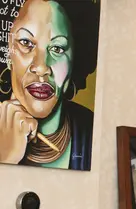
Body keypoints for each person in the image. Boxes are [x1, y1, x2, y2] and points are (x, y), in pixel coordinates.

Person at [0, 0, 99, 170]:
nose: (41, 67)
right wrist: (6, 157)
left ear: (75, 59)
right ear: (8, 53)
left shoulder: (91, 132)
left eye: (58, 49)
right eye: (25, 43)